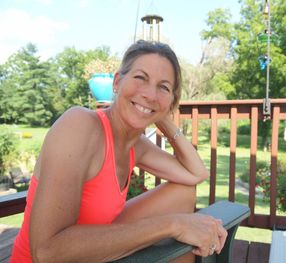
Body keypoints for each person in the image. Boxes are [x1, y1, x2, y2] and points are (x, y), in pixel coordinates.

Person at [11, 40, 227, 263]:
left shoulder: (136, 145)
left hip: (91, 253)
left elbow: (195, 174)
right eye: (140, 78)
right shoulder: (80, 126)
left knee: (183, 191)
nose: (150, 94)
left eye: (163, 87)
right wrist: (172, 225)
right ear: (117, 82)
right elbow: (47, 253)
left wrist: (162, 116)